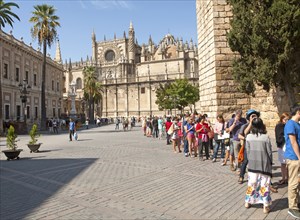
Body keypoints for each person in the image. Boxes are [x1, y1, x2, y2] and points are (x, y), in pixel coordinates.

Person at [244, 118, 272, 214]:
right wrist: (270, 163)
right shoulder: (266, 137)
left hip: (252, 164)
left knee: (252, 183)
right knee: (265, 185)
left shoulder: (248, 137)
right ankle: (265, 206)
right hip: (264, 164)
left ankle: (247, 202)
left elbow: (247, 151)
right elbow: (269, 152)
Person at [284, 104, 300, 219]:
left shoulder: (296, 124)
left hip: (297, 157)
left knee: (297, 182)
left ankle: (296, 203)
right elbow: (293, 142)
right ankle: (292, 208)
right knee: (293, 183)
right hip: (294, 158)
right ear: (298, 112)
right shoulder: (290, 124)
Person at [238, 109, 261, 184]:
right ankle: (241, 176)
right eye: (252, 116)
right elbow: (244, 133)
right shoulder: (245, 125)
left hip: (257, 147)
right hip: (248, 147)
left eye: (255, 116)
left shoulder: (259, 125)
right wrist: (251, 123)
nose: (254, 117)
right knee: (245, 162)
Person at [275, 112, 290, 185]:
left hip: (286, 146)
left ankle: (287, 178)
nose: (286, 121)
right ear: (282, 119)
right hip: (282, 146)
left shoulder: (287, 125)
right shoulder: (279, 126)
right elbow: (279, 137)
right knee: (283, 163)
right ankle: (284, 178)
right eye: (285, 119)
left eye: (288, 119)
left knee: (287, 163)